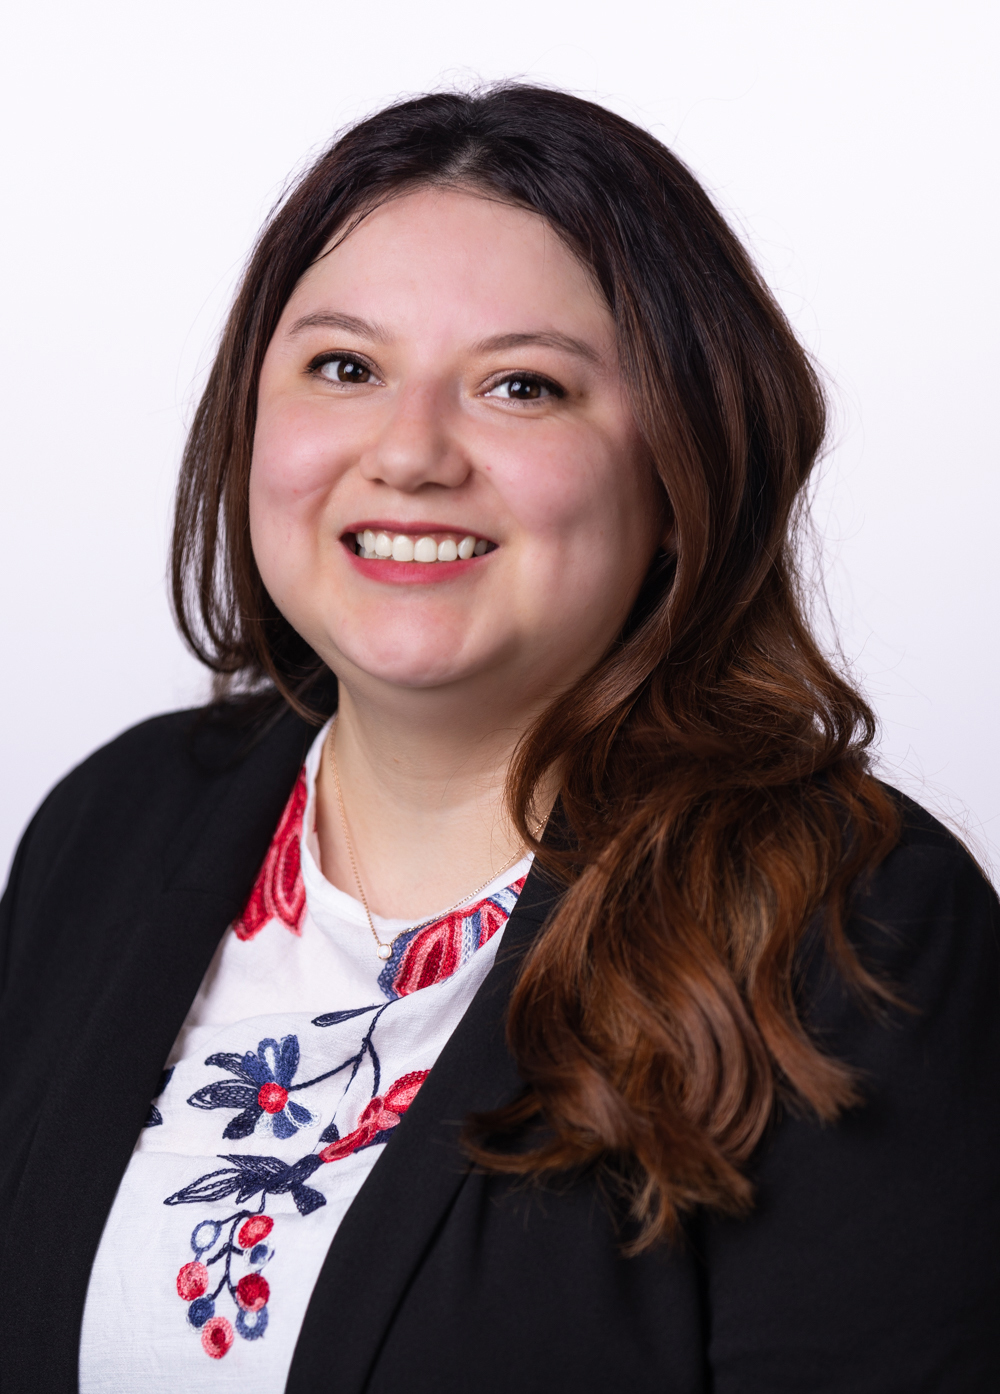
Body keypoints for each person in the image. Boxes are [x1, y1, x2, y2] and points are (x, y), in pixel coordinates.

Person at [1, 84, 997, 1394]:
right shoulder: (114, 821)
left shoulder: (854, 926)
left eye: (523, 386)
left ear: (684, 476)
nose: (409, 453)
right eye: (344, 367)